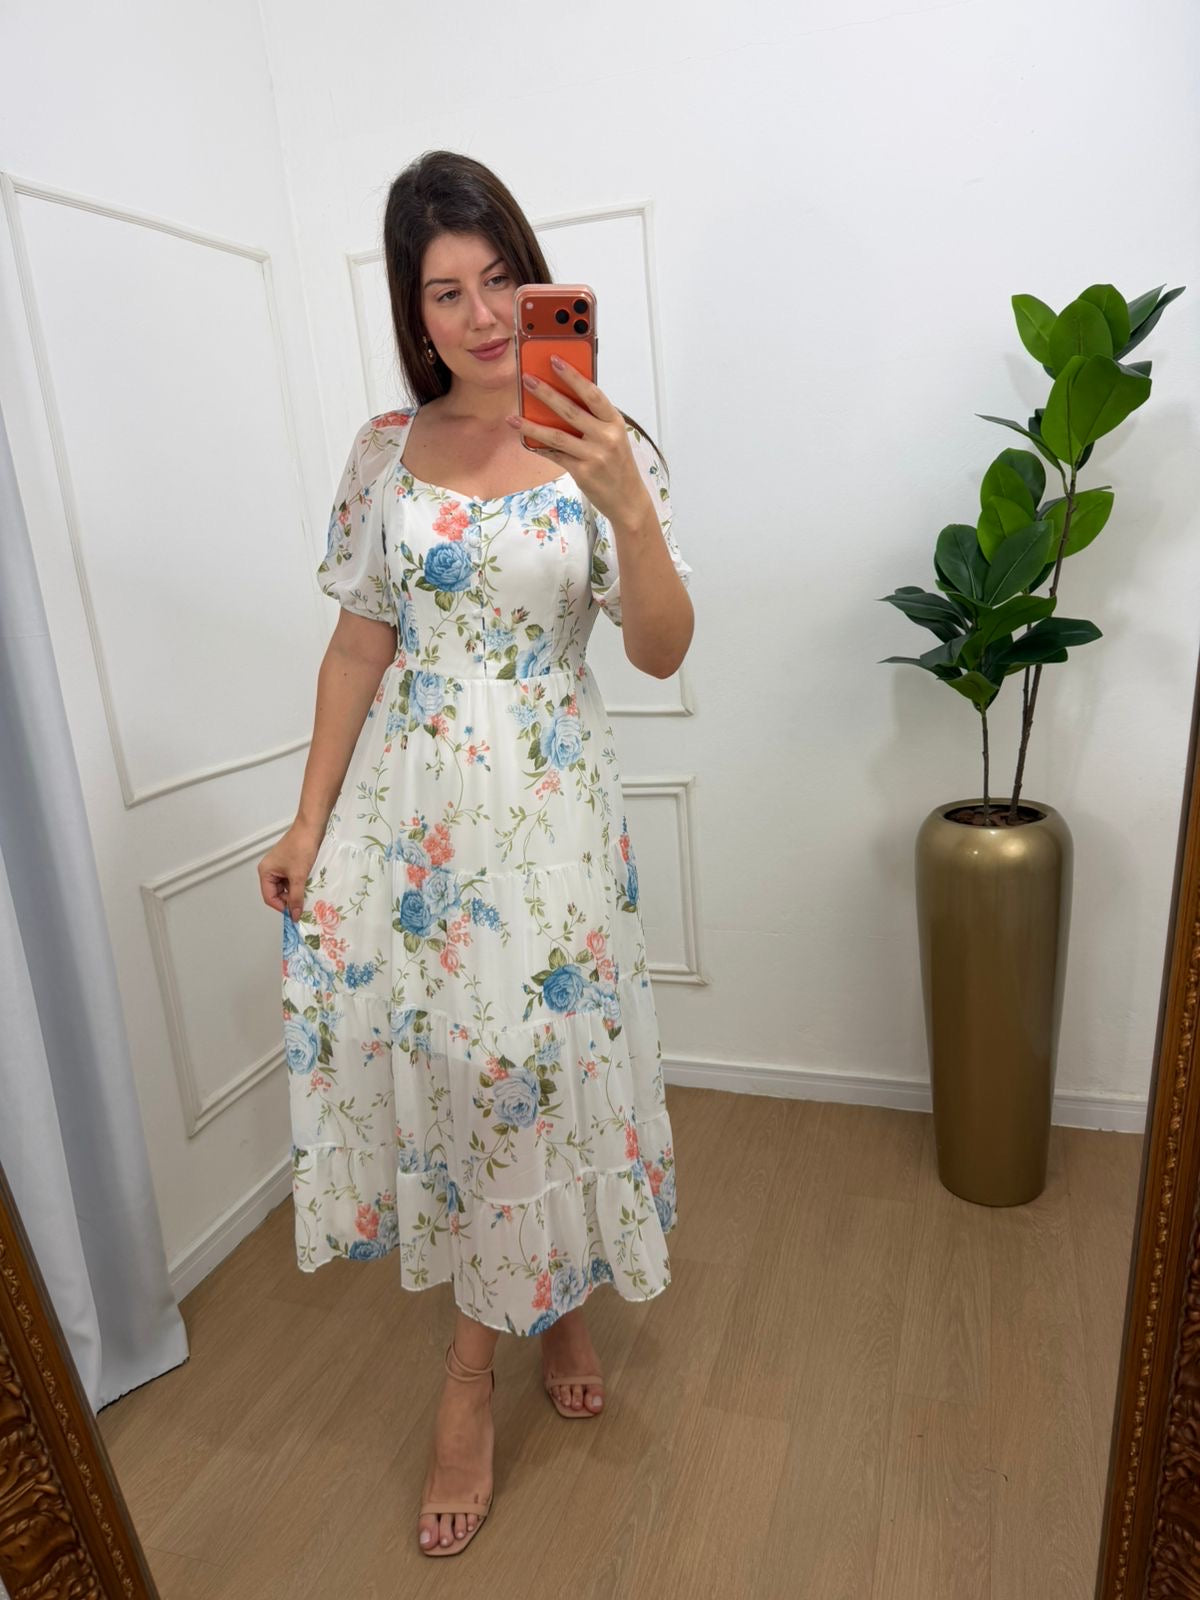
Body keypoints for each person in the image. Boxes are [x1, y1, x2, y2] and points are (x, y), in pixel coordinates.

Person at [257, 149, 695, 1557]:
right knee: (466, 1071)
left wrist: (626, 501)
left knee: (540, 1059)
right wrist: (308, 820)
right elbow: (357, 646)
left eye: (502, 277)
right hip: (422, 822)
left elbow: (661, 647)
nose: (485, 313)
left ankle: (506, 1342)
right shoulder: (384, 453)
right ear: (416, 311)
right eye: (447, 291)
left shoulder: (602, 440)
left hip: (554, 812)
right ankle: (516, 1325)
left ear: (535, 277)